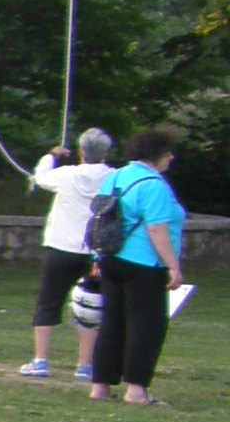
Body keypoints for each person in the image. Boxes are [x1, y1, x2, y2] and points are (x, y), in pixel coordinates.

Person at [88, 128, 191, 406]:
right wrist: (173, 266)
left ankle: (100, 386)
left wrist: (97, 257)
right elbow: (157, 229)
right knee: (147, 325)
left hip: (112, 258)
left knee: (112, 323)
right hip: (144, 263)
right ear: (157, 154)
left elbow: (102, 219)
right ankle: (136, 390)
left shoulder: (115, 177)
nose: (171, 157)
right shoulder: (153, 185)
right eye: (168, 152)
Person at [23, 128, 117, 379]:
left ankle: (40, 360)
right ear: (106, 153)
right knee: (91, 305)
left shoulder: (67, 175)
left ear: (81, 151)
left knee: (48, 301)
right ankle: (85, 365)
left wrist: (51, 156)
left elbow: (41, 177)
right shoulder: (114, 178)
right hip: (95, 252)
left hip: (61, 248)